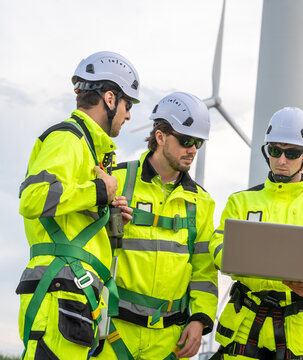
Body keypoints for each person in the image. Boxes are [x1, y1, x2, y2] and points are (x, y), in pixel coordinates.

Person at [17, 51, 140, 359]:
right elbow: (33, 198)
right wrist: (98, 191)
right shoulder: (67, 139)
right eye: (128, 105)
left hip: (73, 293)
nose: (128, 116)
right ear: (110, 99)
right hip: (59, 292)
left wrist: (109, 214)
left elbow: (70, 211)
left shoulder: (88, 149)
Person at [209, 107, 303, 360]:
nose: (282, 160)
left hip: (298, 331)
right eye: (275, 151)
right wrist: (233, 258)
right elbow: (217, 245)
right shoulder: (240, 201)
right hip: (244, 328)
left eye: (292, 153)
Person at [92, 92, 218, 360]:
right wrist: (104, 217)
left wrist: (199, 319)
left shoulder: (202, 203)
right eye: (186, 140)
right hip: (113, 334)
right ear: (160, 137)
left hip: (169, 342)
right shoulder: (116, 179)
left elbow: (204, 270)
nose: (193, 149)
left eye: (198, 143)